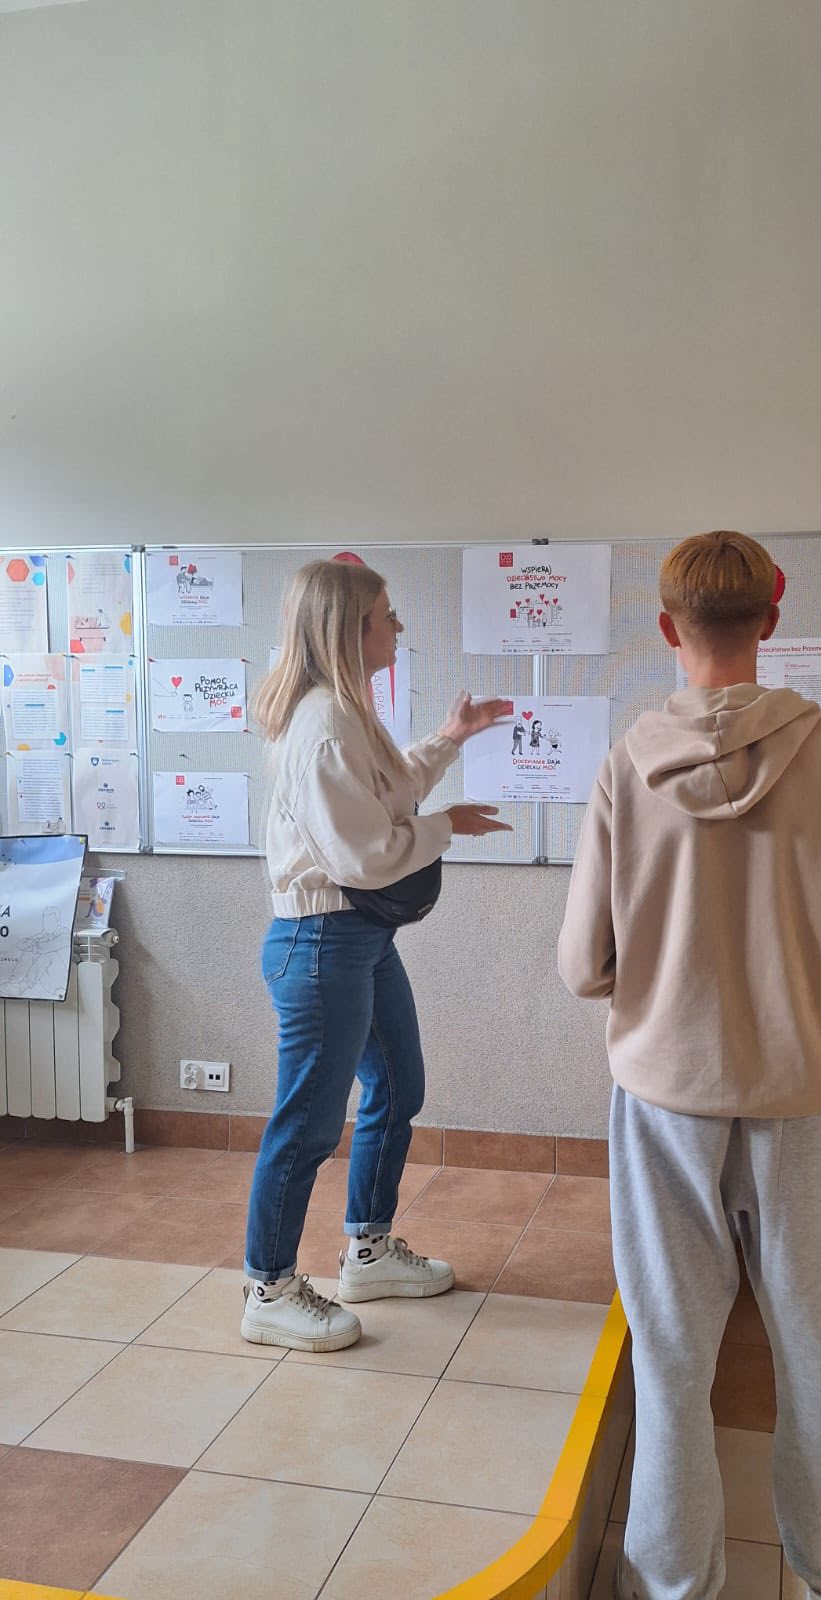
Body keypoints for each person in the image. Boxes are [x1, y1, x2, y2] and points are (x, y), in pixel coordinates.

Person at [558, 531, 821, 1600]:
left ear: (666, 626)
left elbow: (582, 966)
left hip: (665, 1092)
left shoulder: (628, 761)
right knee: (814, 1344)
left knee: (669, 1351)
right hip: (801, 1089)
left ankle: (673, 1579)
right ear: (774, 616)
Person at [241, 558, 512, 1353]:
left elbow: (386, 794)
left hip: (353, 939)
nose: (398, 627)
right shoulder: (323, 723)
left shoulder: (345, 712)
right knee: (307, 1124)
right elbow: (365, 855)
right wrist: (445, 827)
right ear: (351, 629)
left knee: (397, 1085)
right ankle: (268, 1288)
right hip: (321, 943)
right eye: (387, 616)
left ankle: (368, 1248)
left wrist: (449, 741)